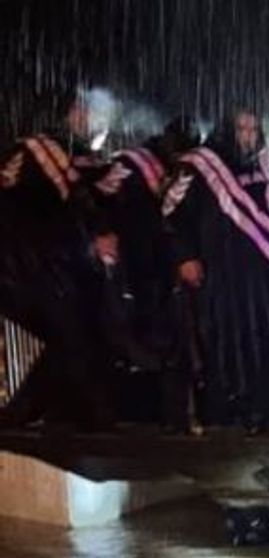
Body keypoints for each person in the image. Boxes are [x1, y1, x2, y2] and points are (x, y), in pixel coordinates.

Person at [161, 107, 269, 433]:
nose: (248, 137)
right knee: (223, 342)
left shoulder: (260, 169)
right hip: (220, 272)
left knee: (262, 340)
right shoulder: (200, 165)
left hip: (259, 277)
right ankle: (224, 412)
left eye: (253, 130)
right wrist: (185, 256)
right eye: (242, 129)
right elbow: (171, 212)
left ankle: (261, 411)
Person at [0, 86, 118, 429]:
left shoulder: (42, 148)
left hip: (33, 258)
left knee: (58, 334)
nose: (90, 120)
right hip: (30, 259)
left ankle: (39, 409)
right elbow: (73, 190)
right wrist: (100, 231)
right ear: (71, 112)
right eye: (84, 111)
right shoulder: (44, 147)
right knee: (67, 330)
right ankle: (86, 412)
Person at [92, 116, 201, 423]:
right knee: (133, 338)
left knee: (163, 342)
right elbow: (100, 198)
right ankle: (141, 412)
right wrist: (102, 232)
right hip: (131, 265)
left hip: (158, 269)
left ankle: (163, 414)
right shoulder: (132, 164)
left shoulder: (173, 172)